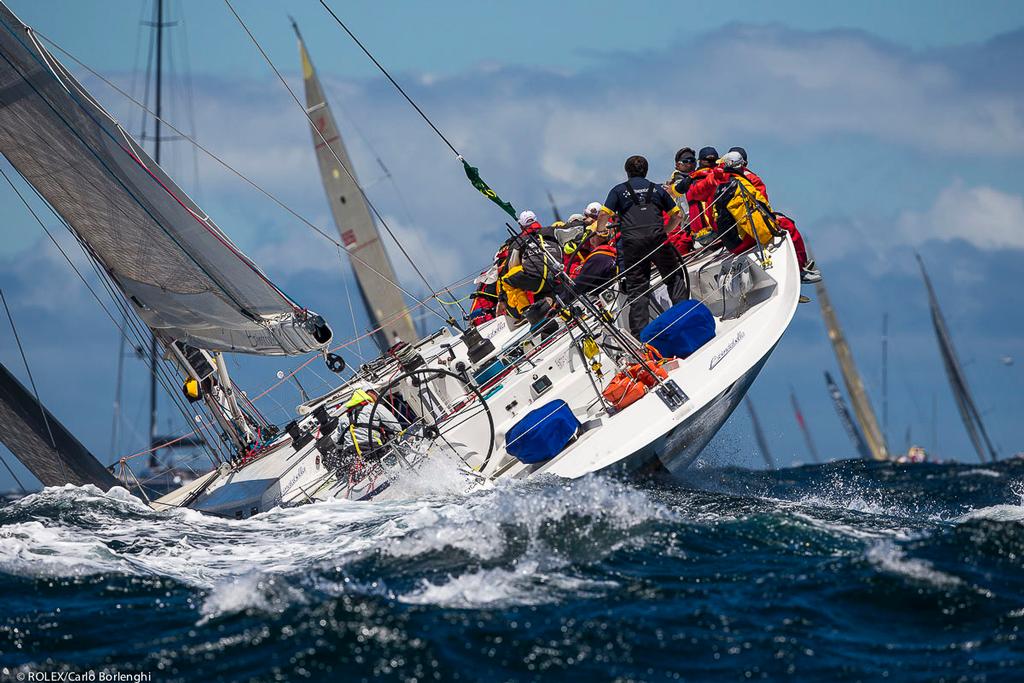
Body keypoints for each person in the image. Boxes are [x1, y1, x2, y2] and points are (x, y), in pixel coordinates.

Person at [596, 155, 688, 337]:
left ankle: (641, 337)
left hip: (632, 244)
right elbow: (678, 216)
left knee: (638, 288)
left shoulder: (618, 191)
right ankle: (685, 317)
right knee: (673, 277)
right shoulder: (657, 190)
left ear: (627, 172)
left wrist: (601, 232)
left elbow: (603, 215)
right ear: (646, 171)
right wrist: (664, 231)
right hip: (657, 240)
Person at [499, 209, 563, 315]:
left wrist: (502, 298)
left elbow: (510, 267)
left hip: (536, 278)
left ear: (521, 226)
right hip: (557, 275)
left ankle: (526, 311)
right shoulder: (552, 231)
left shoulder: (518, 242)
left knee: (506, 280)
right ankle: (546, 303)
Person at [328, 389, 401, 470]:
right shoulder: (375, 407)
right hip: (373, 448)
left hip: (352, 455)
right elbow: (396, 427)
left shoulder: (343, 419)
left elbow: (338, 443)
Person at [569, 227, 618, 293]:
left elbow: (580, 284)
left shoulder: (598, 257)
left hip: (599, 295)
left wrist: (561, 300)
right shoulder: (611, 251)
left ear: (594, 238)